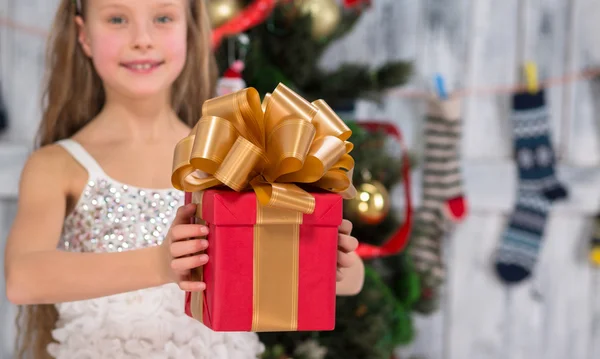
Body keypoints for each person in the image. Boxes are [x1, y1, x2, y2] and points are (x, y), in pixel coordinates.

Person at [2, 0, 365, 358]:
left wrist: (334, 263)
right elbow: (23, 278)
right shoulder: (57, 165)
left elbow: (352, 280)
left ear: (190, 29)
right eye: (116, 18)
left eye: (162, 17)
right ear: (84, 35)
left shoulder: (238, 159)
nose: (142, 38)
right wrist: (160, 265)